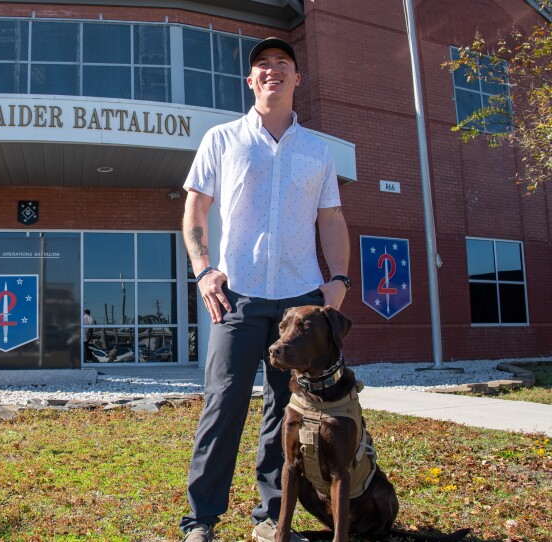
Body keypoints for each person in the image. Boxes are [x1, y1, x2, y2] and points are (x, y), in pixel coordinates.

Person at [178, 37, 351, 542]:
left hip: (299, 302)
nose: (272, 70)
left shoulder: (318, 151)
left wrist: (337, 279)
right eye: (262, 66)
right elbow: (194, 210)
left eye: (283, 64)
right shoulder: (221, 139)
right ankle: (201, 520)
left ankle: (272, 518)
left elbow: (332, 219)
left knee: (287, 413)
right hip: (238, 296)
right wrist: (204, 269)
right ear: (251, 81)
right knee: (223, 403)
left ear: (299, 80)